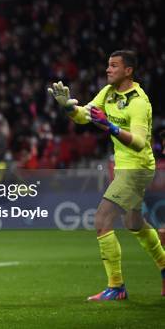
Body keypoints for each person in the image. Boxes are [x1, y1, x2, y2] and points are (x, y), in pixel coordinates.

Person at [49, 50, 164, 300]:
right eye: (107, 66)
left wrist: (110, 126)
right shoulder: (108, 92)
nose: (107, 70)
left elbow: (139, 142)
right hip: (124, 167)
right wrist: (69, 108)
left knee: (102, 219)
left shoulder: (139, 102)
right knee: (134, 224)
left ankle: (116, 286)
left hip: (137, 167)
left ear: (128, 70)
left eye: (113, 66)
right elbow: (85, 116)